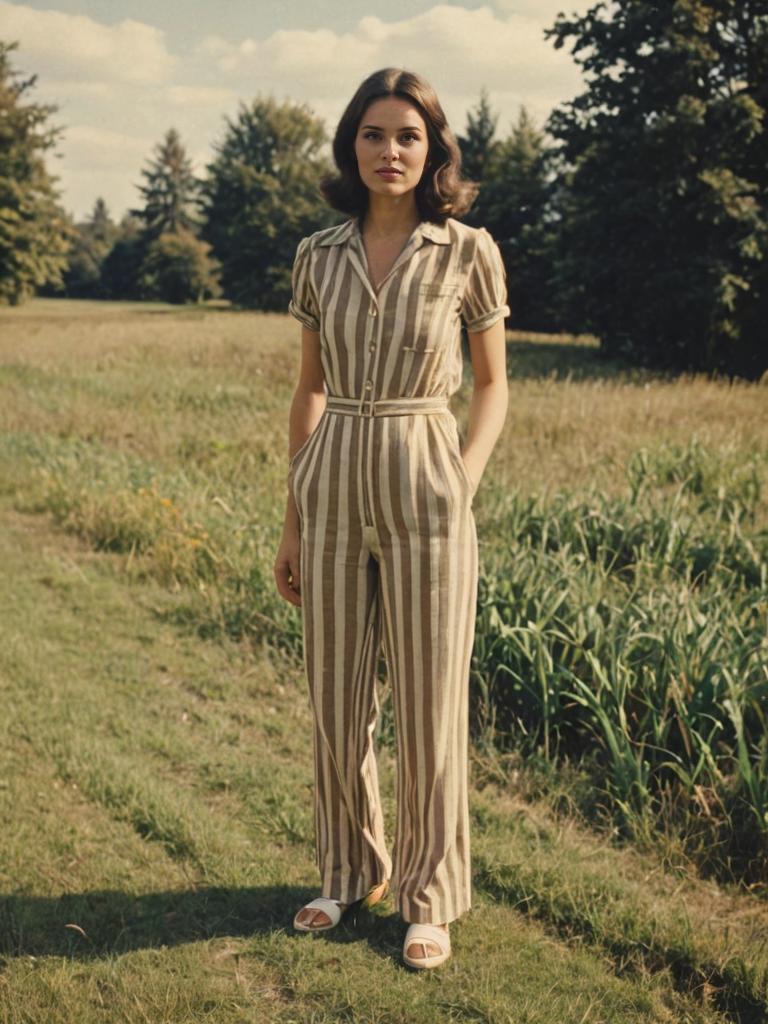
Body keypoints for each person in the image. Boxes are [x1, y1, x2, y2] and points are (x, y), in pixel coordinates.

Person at [273, 67, 509, 970]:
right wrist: (293, 520)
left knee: (429, 702)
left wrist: (460, 475)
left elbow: (492, 387)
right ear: (352, 146)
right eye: (374, 135)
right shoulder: (317, 255)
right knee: (336, 699)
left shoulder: (466, 251)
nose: (390, 152)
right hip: (331, 483)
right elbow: (309, 390)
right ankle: (345, 870)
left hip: (427, 486)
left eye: (408, 136)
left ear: (433, 149)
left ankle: (428, 897)